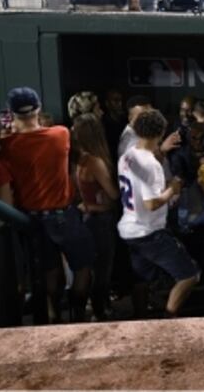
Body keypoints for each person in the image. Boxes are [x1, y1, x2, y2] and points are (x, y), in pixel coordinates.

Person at [0, 87, 95, 323]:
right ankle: (79, 316)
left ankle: (55, 319)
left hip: (31, 218)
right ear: (38, 109)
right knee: (83, 267)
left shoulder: (7, 145)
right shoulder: (60, 134)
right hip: (63, 213)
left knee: (50, 272)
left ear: (11, 113)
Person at [117, 109, 199, 317]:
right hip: (149, 232)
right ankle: (168, 321)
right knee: (189, 275)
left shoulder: (127, 155)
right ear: (161, 133)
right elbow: (152, 204)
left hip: (129, 229)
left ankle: (141, 320)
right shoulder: (151, 164)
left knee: (141, 279)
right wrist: (173, 187)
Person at [72, 114, 119, 321]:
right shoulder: (94, 162)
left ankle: (88, 311)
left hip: (88, 221)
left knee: (92, 269)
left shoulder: (79, 160)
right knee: (102, 270)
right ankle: (100, 312)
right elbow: (114, 194)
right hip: (100, 221)